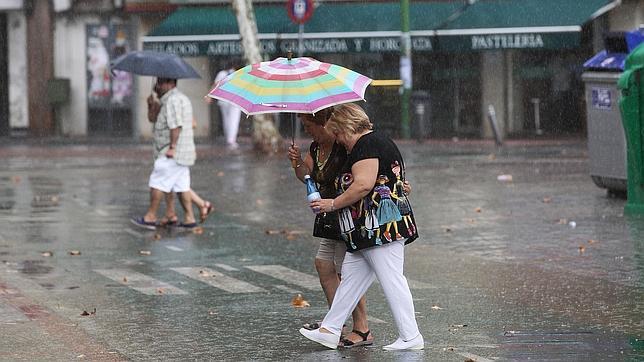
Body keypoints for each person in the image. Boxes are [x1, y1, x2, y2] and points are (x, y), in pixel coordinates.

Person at [300, 103, 423, 351]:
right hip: (367, 231)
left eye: (338, 133)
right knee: (352, 279)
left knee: (392, 280)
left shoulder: (367, 144)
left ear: (346, 127)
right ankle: (330, 329)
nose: (339, 141)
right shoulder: (375, 142)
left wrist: (332, 204)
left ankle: (411, 336)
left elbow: (363, 185)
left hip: (380, 228)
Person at [288, 107, 372, 347]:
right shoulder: (316, 148)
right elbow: (307, 176)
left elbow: (362, 176)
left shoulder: (343, 145)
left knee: (348, 271)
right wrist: (296, 163)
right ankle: (336, 323)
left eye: (308, 126)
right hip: (328, 215)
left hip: (345, 212)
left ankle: (362, 328)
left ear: (323, 123)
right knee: (324, 265)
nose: (307, 131)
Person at [130, 78, 197, 230]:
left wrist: (172, 147)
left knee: (157, 183)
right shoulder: (170, 100)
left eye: (160, 83)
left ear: (170, 84)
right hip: (182, 152)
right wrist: (150, 106)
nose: (157, 86)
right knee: (182, 186)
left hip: (171, 151)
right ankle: (189, 218)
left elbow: (176, 126)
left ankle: (150, 216)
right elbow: (153, 119)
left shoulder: (172, 100)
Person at [214, 62, 242, 149]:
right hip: (235, 100)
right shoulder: (239, 73)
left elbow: (216, 85)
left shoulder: (221, 74)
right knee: (234, 120)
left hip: (224, 99)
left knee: (226, 120)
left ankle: (228, 138)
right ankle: (231, 140)